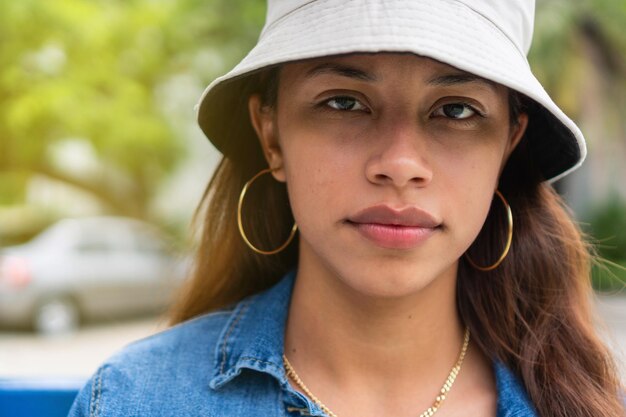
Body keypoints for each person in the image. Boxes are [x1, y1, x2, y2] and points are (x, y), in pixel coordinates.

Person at [69, 1, 625, 416]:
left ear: (508, 144)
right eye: (345, 102)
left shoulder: (587, 404)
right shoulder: (134, 400)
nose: (401, 162)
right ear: (272, 135)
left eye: (456, 110)